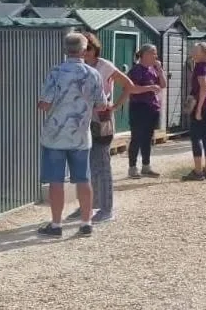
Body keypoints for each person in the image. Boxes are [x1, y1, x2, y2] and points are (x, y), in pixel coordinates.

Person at [68, 33, 154, 223]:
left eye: (87, 49)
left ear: (94, 49)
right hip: (82, 123)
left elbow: (129, 85)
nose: (85, 53)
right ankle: (87, 206)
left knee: (102, 166)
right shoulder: (79, 68)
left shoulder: (104, 66)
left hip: (101, 123)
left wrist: (115, 106)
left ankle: (106, 208)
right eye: (83, 50)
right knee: (86, 166)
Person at [37, 32, 106, 237]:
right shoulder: (93, 74)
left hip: (55, 136)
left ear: (66, 49)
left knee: (56, 181)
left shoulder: (56, 72)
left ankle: (56, 225)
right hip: (81, 136)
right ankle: (86, 223)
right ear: (84, 50)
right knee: (83, 179)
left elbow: (44, 104)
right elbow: (101, 105)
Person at [126, 43, 166, 179]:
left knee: (147, 139)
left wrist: (160, 71)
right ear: (144, 54)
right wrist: (149, 87)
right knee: (136, 137)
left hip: (152, 108)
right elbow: (132, 88)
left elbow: (163, 85)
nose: (155, 56)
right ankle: (132, 167)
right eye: (153, 53)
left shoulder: (154, 69)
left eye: (156, 53)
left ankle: (146, 166)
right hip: (138, 107)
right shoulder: (136, 70)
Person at [184, 43, 206, 181]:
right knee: (205, 137)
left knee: (195, 138)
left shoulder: (200, 67)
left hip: (202, 106)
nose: (193, 51)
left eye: (195, 49)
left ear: (202, 54)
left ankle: (198, 172)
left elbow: (203, 88)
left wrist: (198, 109)